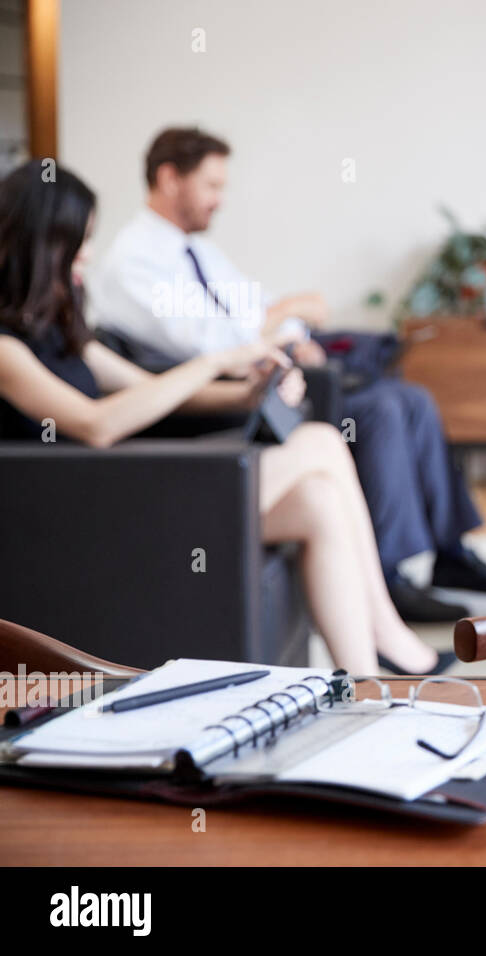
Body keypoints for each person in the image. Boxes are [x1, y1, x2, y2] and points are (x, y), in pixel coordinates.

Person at [0, 159, 450, 676]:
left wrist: (245, 393)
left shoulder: (62, 333)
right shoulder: (5, 350)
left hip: (115, 495)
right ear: (40, 244)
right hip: (89, 520)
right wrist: (215, 362)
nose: (88, 254)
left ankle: (364, 684)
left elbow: (152, 393)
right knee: (322, 441)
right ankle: (391, 635)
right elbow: (97, 424)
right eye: (78, 241)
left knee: (319, 501)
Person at [87, 127, 486, 624]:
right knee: (380, 410)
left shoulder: (197, 251)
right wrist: (283, 314)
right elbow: (207, 344)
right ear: (169, 178)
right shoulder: (131, 263)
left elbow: (254, 305)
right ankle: (388, 575)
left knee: (411, 398)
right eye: (211, 186)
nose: (219, 201)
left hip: (273, 371)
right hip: (229, 396)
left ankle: (449, 553)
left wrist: (293, 332)